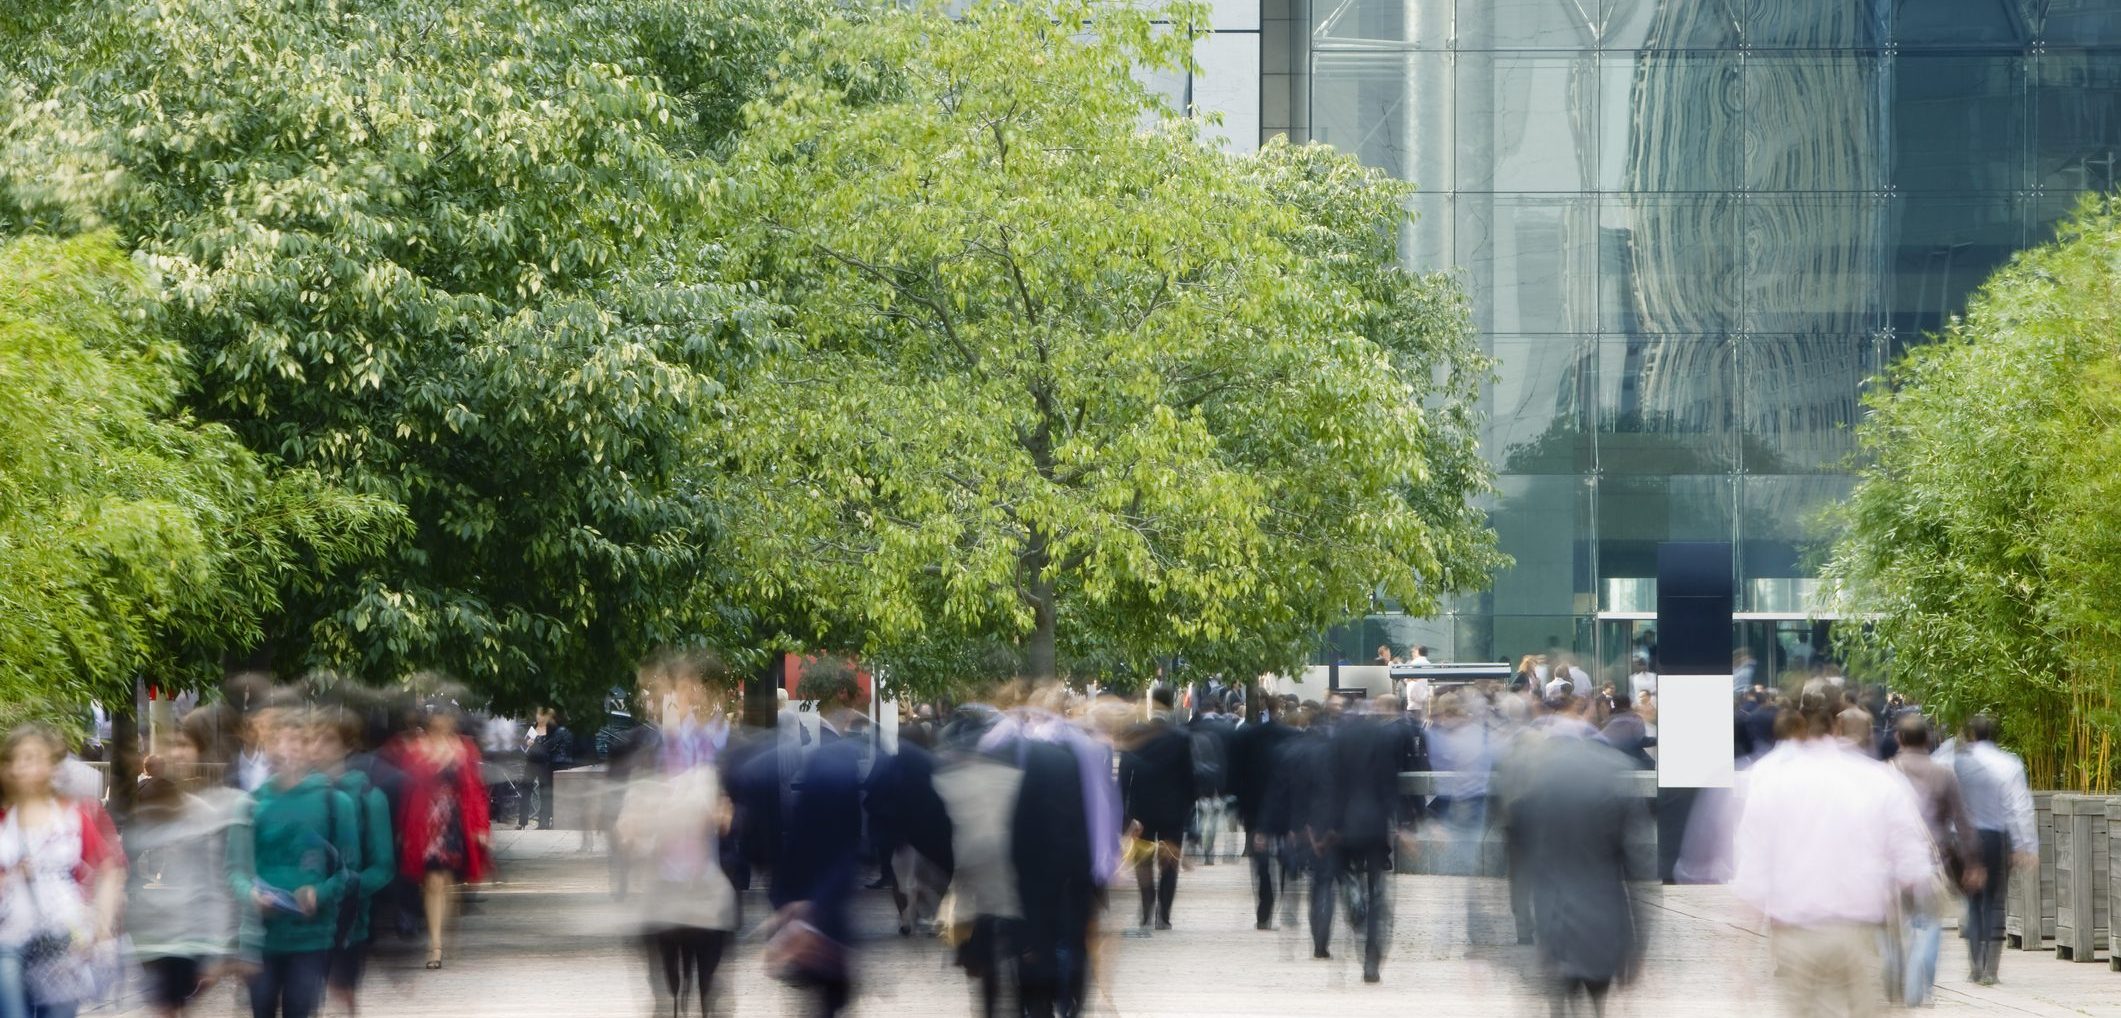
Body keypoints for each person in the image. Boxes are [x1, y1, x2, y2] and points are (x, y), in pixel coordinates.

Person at [1732, 695, 1933, 1018]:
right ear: (1837, 725)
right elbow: (1913, 864)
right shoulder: (1877, 779)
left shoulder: (1771, 781)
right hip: (1859, 933)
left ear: (1796, 726)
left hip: (1795, 936)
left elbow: (1752, 875)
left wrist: (1739, 961)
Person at [617, 653, 740, 1018]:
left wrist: (730, 815)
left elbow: (755, 810)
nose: (651, 701)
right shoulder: (648, 748)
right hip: (664, 887)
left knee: (709, 989)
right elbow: (628, 810)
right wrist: (630, 825)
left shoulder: (725, 745)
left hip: (710, 886)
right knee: (668, 992)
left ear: (689, 690)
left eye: (657, 691)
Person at [1513, 731, 1651, 1017]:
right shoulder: (1615, 780)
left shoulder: (1540, 784)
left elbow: (1522, 855)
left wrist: (1523, 921)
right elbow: (1637, 869)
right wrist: (1639, 945)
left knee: (1560, 998)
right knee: (1598, 998)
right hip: (1604, 916)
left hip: (1555, 914)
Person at [237, 709, 359, 1018]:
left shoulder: (335, 803)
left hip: (311, 936)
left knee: (298, 1009)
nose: (287, 748)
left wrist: (320, 892)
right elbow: (235, 870)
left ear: (309, 749)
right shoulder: (253, 804)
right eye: (278, 741)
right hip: (262, 938)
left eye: (296, 741)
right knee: (261, 1010)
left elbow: (348, 870)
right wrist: (250, 895)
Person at [0, 723, 127, 1018]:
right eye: (16, 758)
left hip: (62, 938)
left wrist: (102, 926)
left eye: (32, 757)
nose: (22, 766)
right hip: (7, 937)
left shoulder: (75, 815)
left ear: (51, 764)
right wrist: (13, 875)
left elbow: (109, 869)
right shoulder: (4, 819)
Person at [124, 727, 246, 1018]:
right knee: (166, 1006)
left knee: (173, 1005)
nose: (176, 754)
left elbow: (218, 884)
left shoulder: (206, 813)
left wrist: (217, 949)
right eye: (170, 746)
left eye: (183, 745)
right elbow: (126, 869)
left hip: (190, 934)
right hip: (152, 936)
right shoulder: (143, 808)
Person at [767, 662, 866, 1017]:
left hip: (812, 906)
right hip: (825, 916)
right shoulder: (825, 757)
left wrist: (787, 901)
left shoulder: (816, 763)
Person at [1882, 715, 1979, 1006]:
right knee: (1930, 925)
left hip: (1892, 863)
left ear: (1898, 739)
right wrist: (1973, 862)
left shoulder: (1885, 773)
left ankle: (1896, 977)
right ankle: (1923, 988)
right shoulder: (1944, 774)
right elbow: (1963, 822)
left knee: (1896, 925)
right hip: (1933, 863)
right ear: (1927, 740)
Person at [384, 706, 490, 971]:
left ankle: (443, 931)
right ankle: (436, 944)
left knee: (448, 880)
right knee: (432, 880)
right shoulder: (416, 749)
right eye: (437, 718)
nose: (442, 722)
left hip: (455, 821)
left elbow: (475, 790)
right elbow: (409, 786)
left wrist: (480, 827)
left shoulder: (464, 748)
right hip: (425, 822)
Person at [1326, 697, 1417, 983]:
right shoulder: (1383, 738)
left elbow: (1330, 785)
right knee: (1378, 892)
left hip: (1343, 826)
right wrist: (1402, 824)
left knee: (1347, 875)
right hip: (1375, 825)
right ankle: (1371, 959)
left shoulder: (1338, 739)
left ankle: (1354, 902)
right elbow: (1390, 784)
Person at [310, 709, 394, 1017]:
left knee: (339, 996)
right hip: (297, 921)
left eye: (327, 739)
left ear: (348, 746)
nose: (316, 747)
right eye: (311, 739)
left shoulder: (369, 797)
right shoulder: (295, 794)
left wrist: (345, 889)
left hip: (347, 923)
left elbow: (383, 867)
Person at [1952, 714, 2036, 986]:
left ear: (1971, 735)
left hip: (1966, 838)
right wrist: (2025, 845)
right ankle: (1991, 968)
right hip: (1995, 837)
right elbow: (2018, 807)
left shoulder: (1959, 763)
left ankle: (1975, 964)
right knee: (1995, 901)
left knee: (1973, 901)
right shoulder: (2009, 764)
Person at [1118, 687, 1193, 932]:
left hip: (1142, 811)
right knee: (1169, 863)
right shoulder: (1181, 738)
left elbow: (1124, 776)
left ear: (1152, 703)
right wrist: (1188, 811)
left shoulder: (1136, 736)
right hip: (1173, 812)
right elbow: (1189, 779)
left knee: (1143, 861)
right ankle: (1165, 914)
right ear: (1171, 704)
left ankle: (1147, 904)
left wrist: (1125, 816)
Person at [1230, 696, 1297, 930]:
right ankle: (1285, 899)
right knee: (1286, 855)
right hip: (1286, 807)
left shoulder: (1246, 737)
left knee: (1260, 861)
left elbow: (1236, 775)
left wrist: (1240, 806)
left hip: (1254, 807)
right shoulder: (1292, 736)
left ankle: (1265, 904)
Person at [519, 708, 572, 831]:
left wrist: (535, 745)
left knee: (545, 793)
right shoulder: (533, 729)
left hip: (544, 763)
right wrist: (526, 745)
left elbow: (549, 747)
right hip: (531, 762)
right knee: (526, 790)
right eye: (537, 714)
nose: (539, 717)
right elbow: (523, 747)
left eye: (541, 715)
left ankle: (543, 823)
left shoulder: (553, 730)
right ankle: (522, 822)